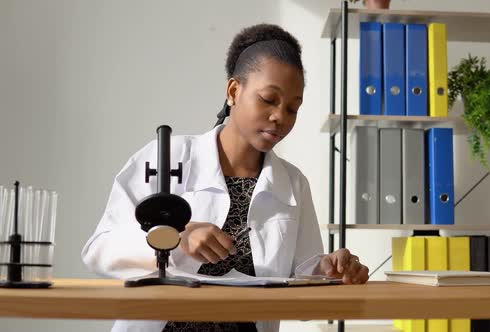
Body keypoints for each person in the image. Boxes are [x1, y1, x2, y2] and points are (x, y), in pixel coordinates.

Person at [82, 23, 369, 332]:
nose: (280, 117)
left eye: (292, 108)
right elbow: (100, 250)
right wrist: (176, 238)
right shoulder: (167, 157)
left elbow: (302, 285)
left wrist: (328, 270)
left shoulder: (293, 184)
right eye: (269, 100)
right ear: (234, 91)